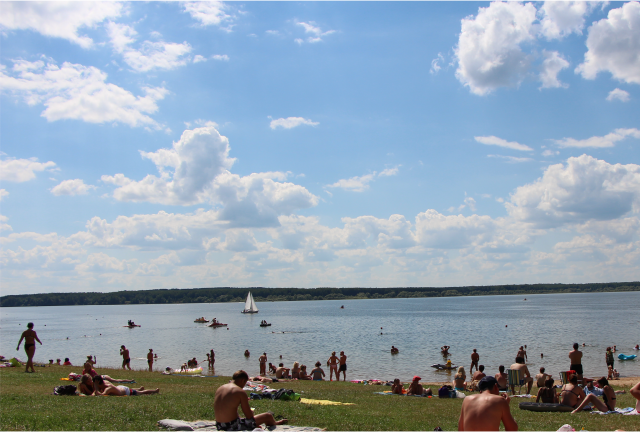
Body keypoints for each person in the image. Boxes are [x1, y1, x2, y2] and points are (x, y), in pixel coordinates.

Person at [214, 370, 287, 431]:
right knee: (268, 416)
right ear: (243, 380)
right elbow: (249, 417)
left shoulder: (220, 388)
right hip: (232, 426)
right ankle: (274, 423)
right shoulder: (239, 391)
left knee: (242, 418)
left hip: (219, 425)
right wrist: (251, 414)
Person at [92, 375, 159, 396]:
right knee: (135, 390)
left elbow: (101, 395)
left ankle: (155, 391)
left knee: (141, 393)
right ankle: (139, 388)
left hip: (126, 391)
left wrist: (96, 387)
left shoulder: (108, 388)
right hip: (120, 388)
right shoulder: (105, 382)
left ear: (97, 382)